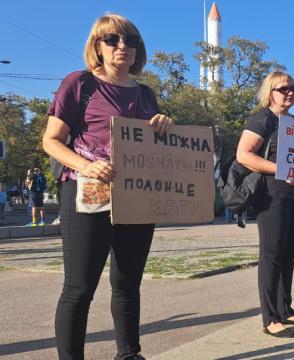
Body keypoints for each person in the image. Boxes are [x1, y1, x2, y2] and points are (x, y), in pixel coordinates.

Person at [42, 14, 174, 359]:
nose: (123, 46)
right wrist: (87, 165)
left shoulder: (146, 95)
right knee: (80, 287)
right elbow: (51, 141)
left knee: (128, 283)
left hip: (135, 197)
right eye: (113, 39)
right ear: (97, 46)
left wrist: (163, 127)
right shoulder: (80, 84)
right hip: (87, 195)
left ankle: (129, 354)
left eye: (130, 41)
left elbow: (156, 152)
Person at [236, 71, 294, 338]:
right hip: (272, 197)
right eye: (284, 89)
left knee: (288, 255)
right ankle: (270, 317)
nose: (290, 92)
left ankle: (285, 309)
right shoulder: (263, 118)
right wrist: (280, 169)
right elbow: (244, 154)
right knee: (271, 256)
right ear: (270, 92)